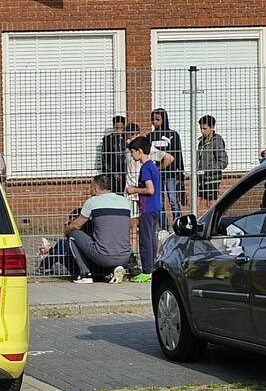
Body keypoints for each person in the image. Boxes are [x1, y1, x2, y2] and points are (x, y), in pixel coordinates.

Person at [62, 174, 132, 284]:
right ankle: (113, 270)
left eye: (91, 187)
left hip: (103, 256)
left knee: (73, 234)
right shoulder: (125, 202)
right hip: (125, 256)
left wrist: (66, 231)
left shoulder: (92, 201)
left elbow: (77, 225)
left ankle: (85, 274)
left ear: (95, 188)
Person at [126, 136, 161, 284]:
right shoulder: (153, 166)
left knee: (145, 240)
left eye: (132, 152)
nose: (132, 155)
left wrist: (134, 189)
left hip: (147, 208)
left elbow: (150, 189)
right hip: (155, 208)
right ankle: (151, 269)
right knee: (151, 239)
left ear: (139, 151)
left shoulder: (145, 167)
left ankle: (147, 271)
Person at [146, 108, 184, 232]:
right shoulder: (150, 136)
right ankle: (163, 227)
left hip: (171, 173)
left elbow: (178, 155)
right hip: (156, 174)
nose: (154, 122)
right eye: (153, 119)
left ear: (164, 119)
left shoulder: (173, 135)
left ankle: (178, 225)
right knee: (160, 201)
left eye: (157, 119)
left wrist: (180, 173)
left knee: (173, 200)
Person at [197, 115, 228, 210]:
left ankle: (213, 218)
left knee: (211, 202)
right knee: (199, 200)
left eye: (205, 129)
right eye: (201, 129)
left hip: (212, 177)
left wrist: (208, 170)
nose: (202, 131)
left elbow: (223, 162)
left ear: (212, 127)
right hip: (202, 177)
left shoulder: (217, 141)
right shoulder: (201, 142)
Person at [100, 115, 128, 196]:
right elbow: (105, 158)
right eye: (116, 128)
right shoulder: (108, 140)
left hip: (126, 172)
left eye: (121, 128)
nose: (119, 131)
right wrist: (113, 172)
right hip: (112, 173)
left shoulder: (127, 138)